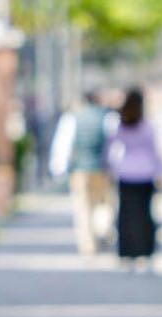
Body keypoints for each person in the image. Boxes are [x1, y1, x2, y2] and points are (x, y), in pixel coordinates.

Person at [49, 90, 116, 255]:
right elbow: (114, 145)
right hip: (103, 169)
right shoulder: (107, 117)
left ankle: (88, 245)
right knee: (104, 205)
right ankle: (102, 230)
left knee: (83, 209)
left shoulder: (72, 118)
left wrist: (58, 169)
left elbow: (62, 145)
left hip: (80, 170)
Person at [107, 88, 162, 267]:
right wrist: (160, 171)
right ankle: (144, 250)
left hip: (126, 173)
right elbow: (155, 152)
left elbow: (110, 147)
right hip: (145, 174)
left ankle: (127, 250)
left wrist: (111, 168)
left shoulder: (121, 124)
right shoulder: (147, 126)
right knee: (144, 213)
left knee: (127, 214)